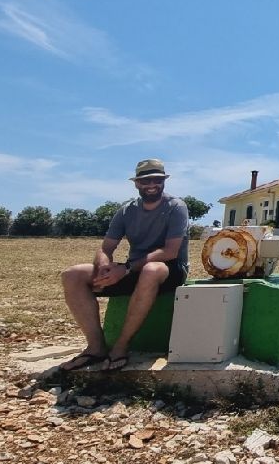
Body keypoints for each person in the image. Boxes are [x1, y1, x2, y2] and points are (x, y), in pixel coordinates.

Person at [59, 159, 189, 371]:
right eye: (145, 180)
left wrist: (126, 269)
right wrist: (103, 267)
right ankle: (96, 347)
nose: (151, 184)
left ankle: (121, 346)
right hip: (134, 268)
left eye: (157, 179)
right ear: (137, 183)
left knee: (151, 269)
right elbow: (105, 248)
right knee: (72, 274)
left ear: (163, 181)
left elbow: (170, 251)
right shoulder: (127, 210)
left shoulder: (176, 207)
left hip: (169, 269)